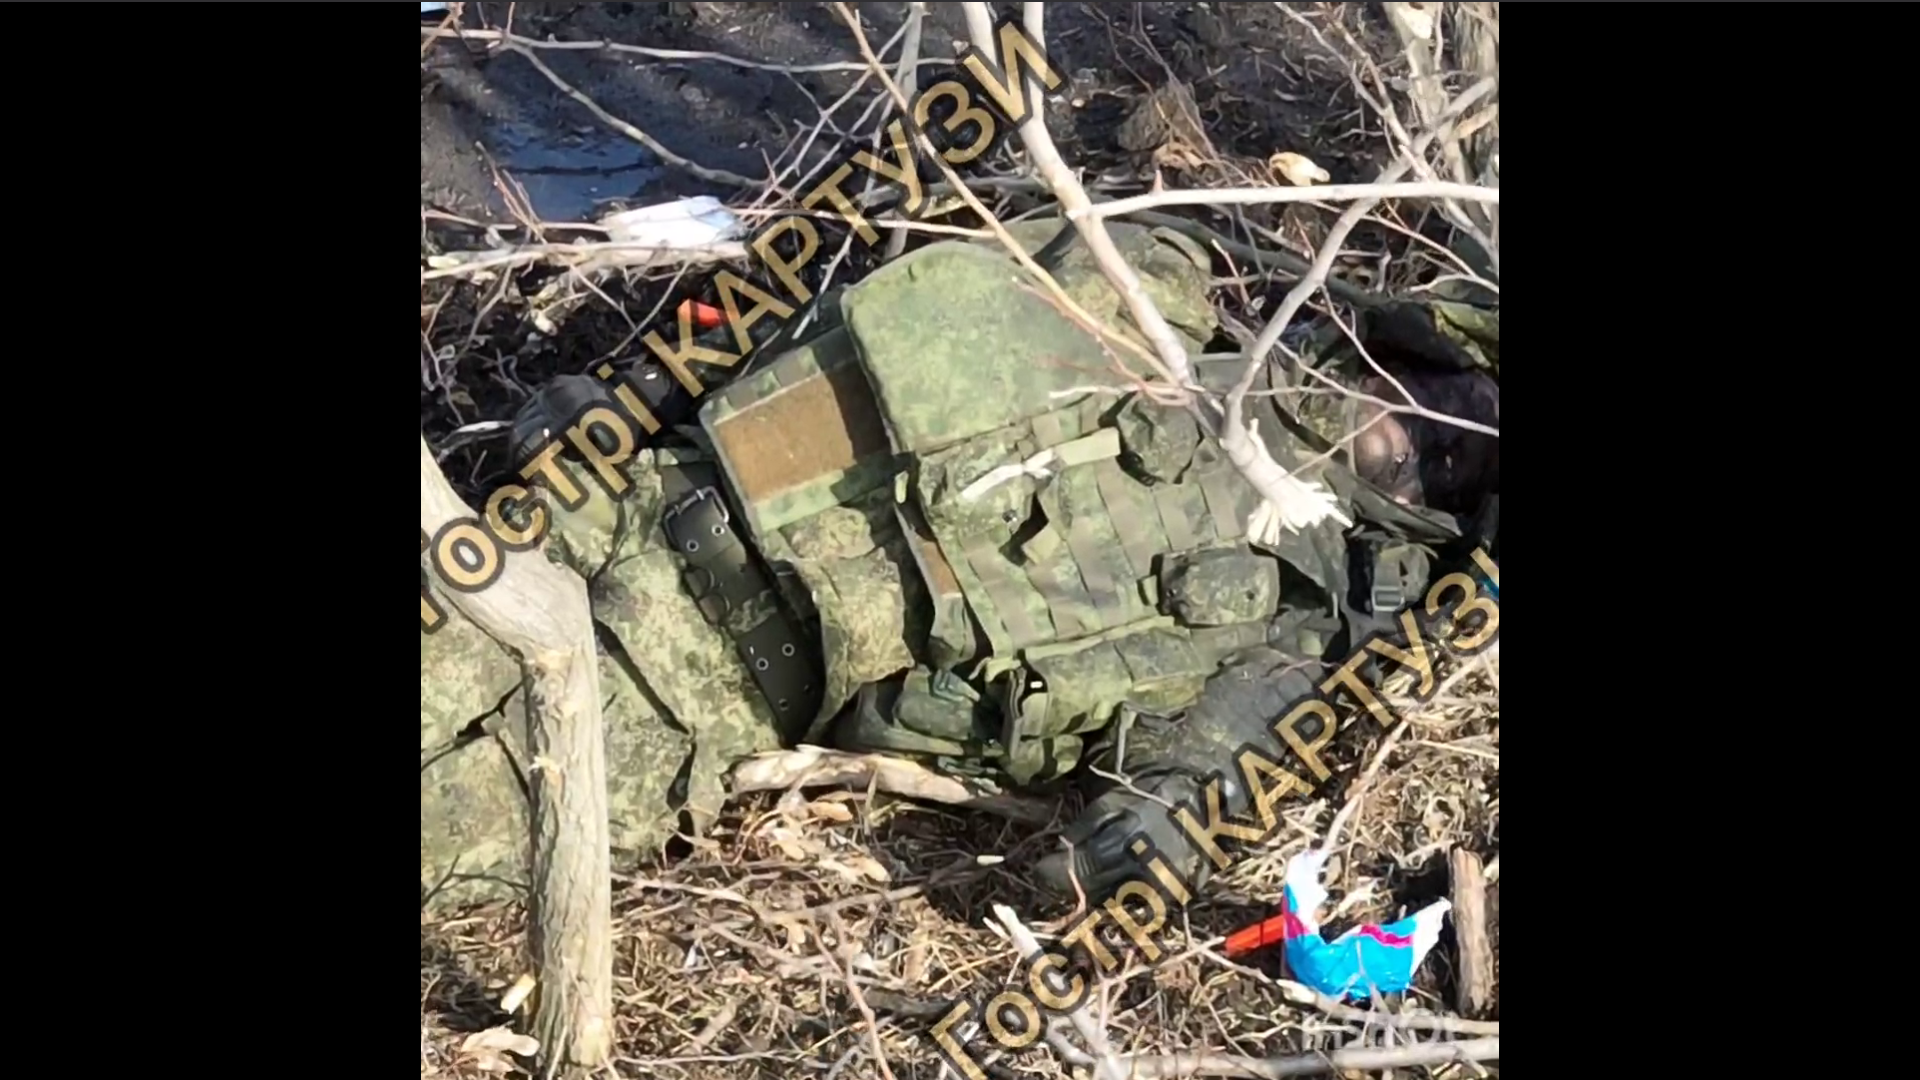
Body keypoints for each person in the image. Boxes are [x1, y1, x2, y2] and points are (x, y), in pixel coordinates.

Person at [419, 218, 1499, 910]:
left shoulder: (1295, 615)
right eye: (1452, 399)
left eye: (1461, 461)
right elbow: (864, 303)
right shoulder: (1154, 295)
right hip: (623, 510)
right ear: (1407, 349)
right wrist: (637, 398)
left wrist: (1161, 836)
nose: (1439, 434)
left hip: (691, 702)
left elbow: (1198, 770)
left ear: (1437, 522)